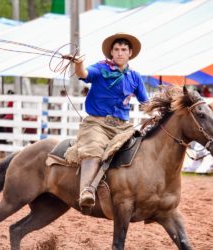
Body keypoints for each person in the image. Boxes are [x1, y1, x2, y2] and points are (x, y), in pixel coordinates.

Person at [68, 33, 149, 208]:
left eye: (124, 50)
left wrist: (160, 110)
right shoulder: (100, 68)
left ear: (130, 53)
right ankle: (86, 191)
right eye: (117, 50)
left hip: (123, 126)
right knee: (94, 148)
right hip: (97, 123)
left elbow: (146, 103)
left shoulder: (135, 77)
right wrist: (78, 63)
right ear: (111, 53)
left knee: (141, 150)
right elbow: (84, 73)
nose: (120, 53)